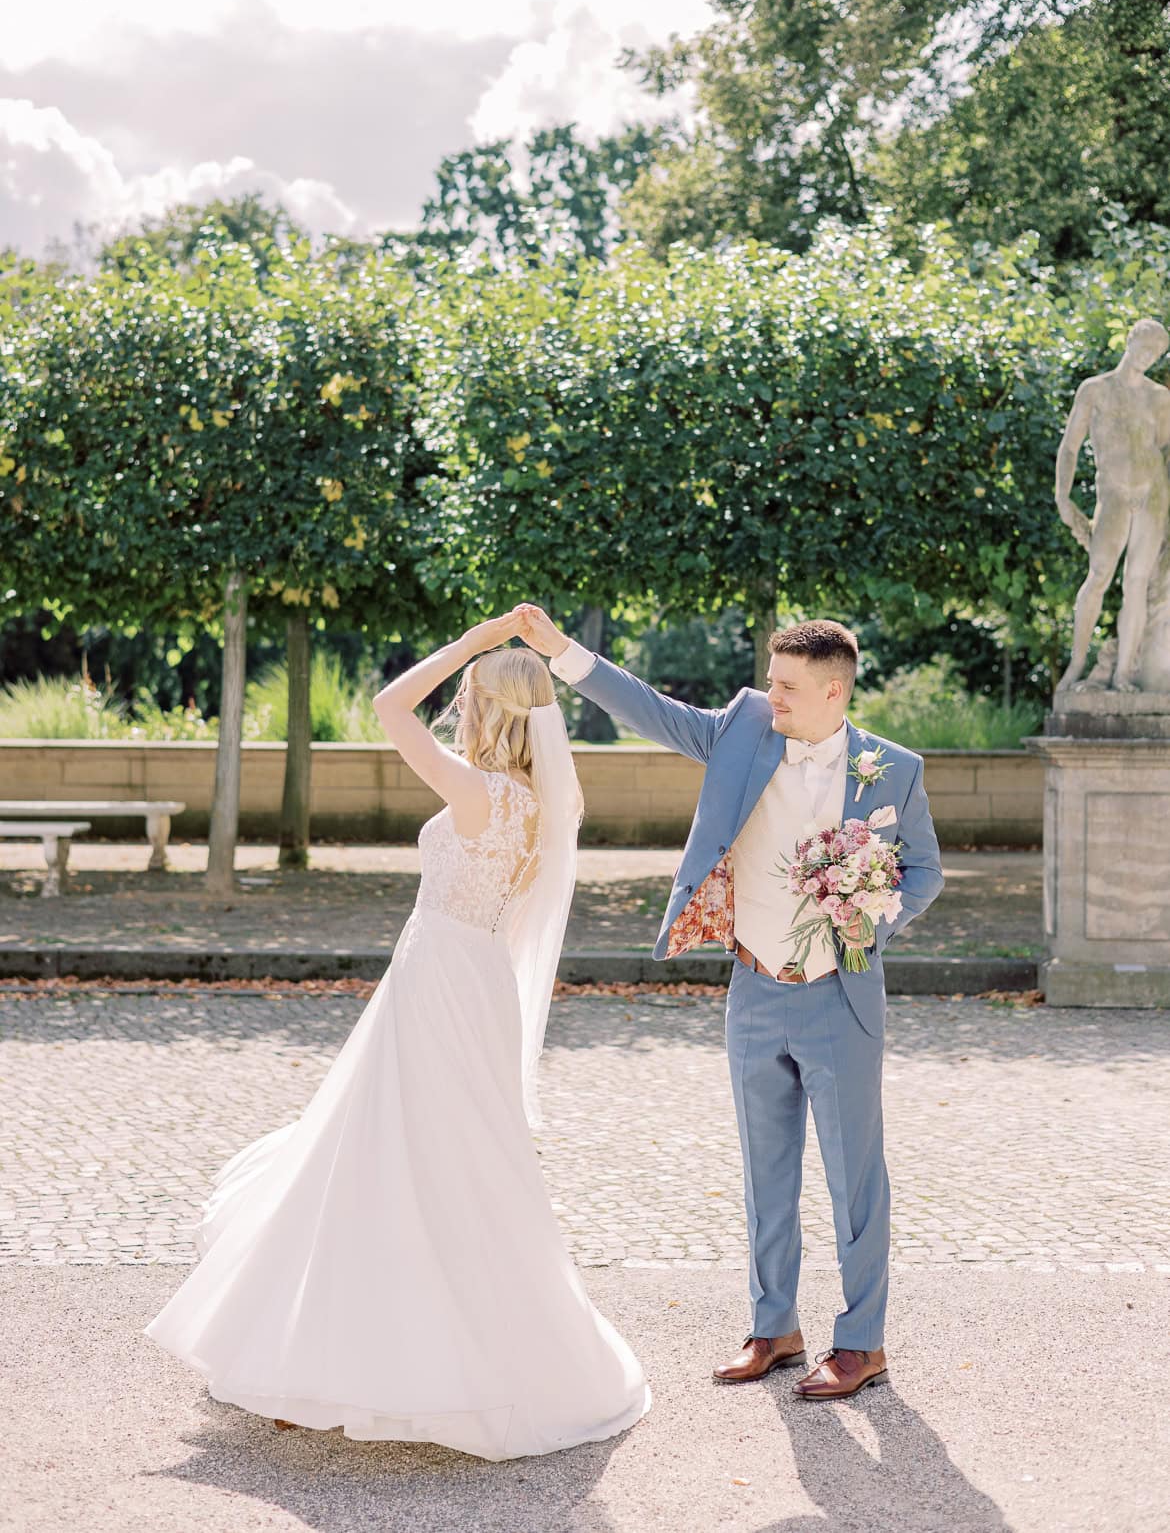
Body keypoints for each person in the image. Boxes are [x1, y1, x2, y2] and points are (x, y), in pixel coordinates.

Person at [144, 610, 650, 1461]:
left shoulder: (478, 792)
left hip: (437, 982)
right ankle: (399, 1351)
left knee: (383, 1153)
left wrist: (473, 641)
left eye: (472, 696)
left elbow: (387, 704)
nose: (460, 705)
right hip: (476, 979)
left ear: (492, 707)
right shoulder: (541, 806)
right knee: (456, 1162)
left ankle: (333, 1360)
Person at [515, 605, 943, 1403]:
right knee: (765, 1171)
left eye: (786, 685)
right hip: (751, 988)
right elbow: (652, 708)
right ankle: (774, 1327)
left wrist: (866, 912)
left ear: (833, 690)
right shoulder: (743, 727)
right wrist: (561, 651)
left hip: (838, 996)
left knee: (856, 1179)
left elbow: (923, 872)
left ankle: (862, 1342)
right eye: (772, 681)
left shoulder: (893, 768)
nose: (769, 693)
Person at [1056, 317, 1170, 692]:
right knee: (1099, 576)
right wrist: (1062, 495)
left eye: (1157, 353)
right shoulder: (1096, 389)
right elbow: (1070, 446)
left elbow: (1164, 447)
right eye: (1145, 346)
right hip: (1114, 494)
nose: (1149, 356)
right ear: (1130, 340)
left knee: (1137, 582)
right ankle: (1075, 664)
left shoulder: (1159, 397)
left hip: (1152, 495)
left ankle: (1123, 674)